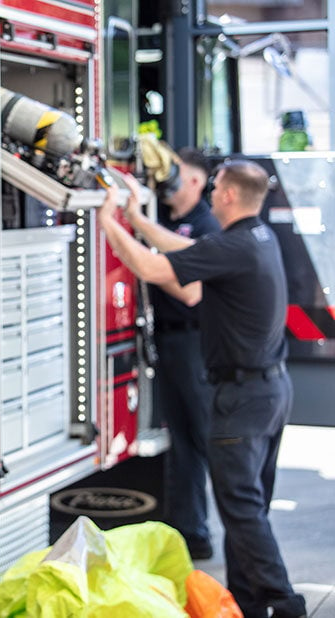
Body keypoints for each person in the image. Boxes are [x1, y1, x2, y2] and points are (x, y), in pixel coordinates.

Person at [98, 160, 306, 618]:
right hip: (270, 391)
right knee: (248, 508)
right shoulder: (255, 238)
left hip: (242, 399)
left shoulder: (234, 246)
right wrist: (136, 219)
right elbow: (186, 250)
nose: (210, 193)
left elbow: (153, 267)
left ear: (229, 195)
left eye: (216, 188)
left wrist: (108, 224)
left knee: (242, 509)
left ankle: (284, 603)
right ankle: (249, 604)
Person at [130, 148, 221, 560]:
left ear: (198, 182)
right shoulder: (167, 219)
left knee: (201, 441)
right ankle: (188, 535)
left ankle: (210, 533)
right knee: (182, 442)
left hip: (193, 342)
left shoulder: (206, 224)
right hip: (167, 341)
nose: (168, 179)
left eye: (177, 174)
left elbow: (189, 291)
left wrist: (134, 235)